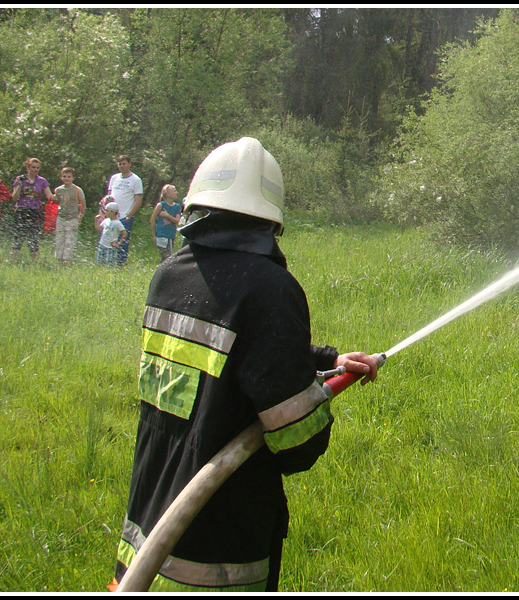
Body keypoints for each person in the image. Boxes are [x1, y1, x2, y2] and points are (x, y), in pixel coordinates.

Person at [111, 137, 381, 592]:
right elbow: (296, 445)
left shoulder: (169, 277)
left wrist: (329, 361)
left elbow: (225, 359)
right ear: (270, 221)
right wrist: (314, 396)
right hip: (216, 552)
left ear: (200, 207)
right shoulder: (270, 290)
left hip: (147, 527)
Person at [11, 157, 54, 261]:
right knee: (19, 236)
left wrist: (62, 194)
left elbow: (50, 197)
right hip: (21, 210)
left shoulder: (41, 181)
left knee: (33, 237)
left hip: (35, 211)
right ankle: (13, 260)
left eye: (37, 168)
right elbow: (14, 198)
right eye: (33, 167)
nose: (35, 169)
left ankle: (35, 262)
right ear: (28, 168)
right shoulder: (20, 179)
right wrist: (20, 185)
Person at [106, 154, 143, 265]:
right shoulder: (114, 178)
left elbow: (138, 200)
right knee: (108, 239)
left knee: (122, 241)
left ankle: (121, 264)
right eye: (120, 164)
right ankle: (108, 262)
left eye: (124, 163)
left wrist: (129, 216)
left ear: (129, 164)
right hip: (112, 216)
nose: (122, 166)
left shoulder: (136, 180)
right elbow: (108, 195)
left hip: (124, 216)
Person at [52, 167, 86, 265]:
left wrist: (80, 217)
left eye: (69, 177)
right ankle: (59, 259)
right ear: (61, 177)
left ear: (73, 178)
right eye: (64, 176)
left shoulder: (77, 190)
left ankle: (67, 260)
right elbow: (57, 201)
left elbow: (83, 204)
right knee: (59, 238)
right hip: (61, 217)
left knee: (70, 239)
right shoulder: (58, 190)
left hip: (73, 217)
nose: (66, 178)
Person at [149, 184, 183, 262]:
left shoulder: (177, 206)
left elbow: (177, 221)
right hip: (161, 235)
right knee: (166, 257)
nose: (176, 193)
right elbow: (152, 220)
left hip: (171, 235)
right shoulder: (160, 205)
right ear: (167, 194)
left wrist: (167, 216)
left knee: (169, 256)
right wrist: (154, 235)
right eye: (174, 191)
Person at [94, 201, 128, 266]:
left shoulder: (117, 223)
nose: (105, 213)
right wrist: (96, 221)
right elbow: (98, 229)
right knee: (99, 263)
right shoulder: (106, 220)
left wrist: (118, 243)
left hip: (110, 247)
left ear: (113, 212)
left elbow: (124, 234)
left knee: (109, 264)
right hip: (102, 244)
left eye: (107, 211)